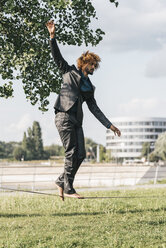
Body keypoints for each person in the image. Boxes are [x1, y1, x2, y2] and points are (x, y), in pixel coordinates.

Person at [46, 20, 121, 200]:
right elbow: (57, 57)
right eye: (92, 64)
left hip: (77, 120)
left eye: (96, 65)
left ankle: (60, 181)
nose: (94, 67)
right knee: (71, 152)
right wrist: (52, 36)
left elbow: (94, 108)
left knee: (80, 154)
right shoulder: (69, 71)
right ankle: (69, 188)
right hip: (64, 116)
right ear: (83, 63)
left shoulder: (90, 86)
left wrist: (110, 125)